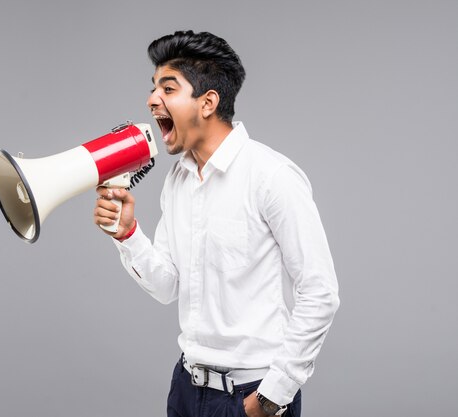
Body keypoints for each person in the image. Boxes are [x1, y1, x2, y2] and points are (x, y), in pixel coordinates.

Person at [93, 30, 339, 417]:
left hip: (252, 395)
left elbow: (320, 293)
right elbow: (167, 286)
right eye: (154, 87)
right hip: (186, 388)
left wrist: (271, 398)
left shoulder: (271, 176)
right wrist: (127, 233)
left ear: (208, 102)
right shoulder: (178, 180)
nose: (151, 99)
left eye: (168, 88)